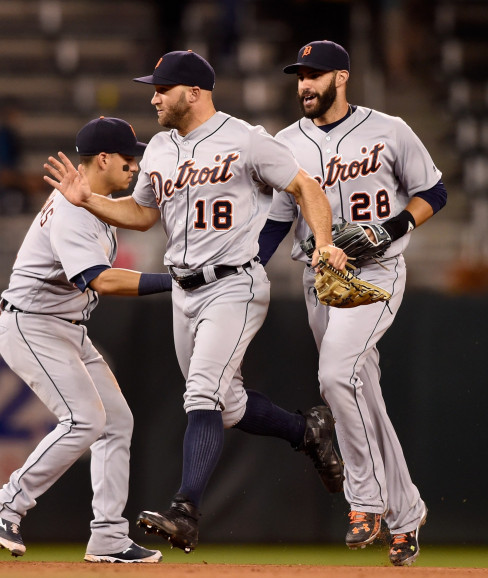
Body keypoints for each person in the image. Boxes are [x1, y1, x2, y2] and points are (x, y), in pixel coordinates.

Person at [43, 50, 348, 554]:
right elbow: (142, 215)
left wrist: (324, 241)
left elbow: (305, 187)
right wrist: (90, 200)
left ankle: (185, 511)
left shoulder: (245, 138)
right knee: (225, 404)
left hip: (235, 285)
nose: (153, 97)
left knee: (202, 393)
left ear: (194, 92)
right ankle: (306, 430)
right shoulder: (161, 147)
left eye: (162, 88)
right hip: (183, 290)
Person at [258, 40, 446, 567]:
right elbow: (277, 219)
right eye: (300, 75)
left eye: (315, 75)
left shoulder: (389, 128)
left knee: (337, 376)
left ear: (341, 77)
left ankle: (365, 500)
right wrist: (251, 263)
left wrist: (390, 230)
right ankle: (407, 515)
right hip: (322, 279)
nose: (304, 85)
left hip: (376, 273)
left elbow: (433, 192)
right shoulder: (286, 142)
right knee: (362, 396)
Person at [0, 117, 171, 564]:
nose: (135, 166)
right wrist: (173, 281)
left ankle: (107, 536)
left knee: (116, 422)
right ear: (103, 158)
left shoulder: (92, 201)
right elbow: (99, 280)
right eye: (128, 158)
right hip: (33, 324)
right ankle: (7, 502)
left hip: (65, 327)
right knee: (84, 419)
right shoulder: (73, 208)